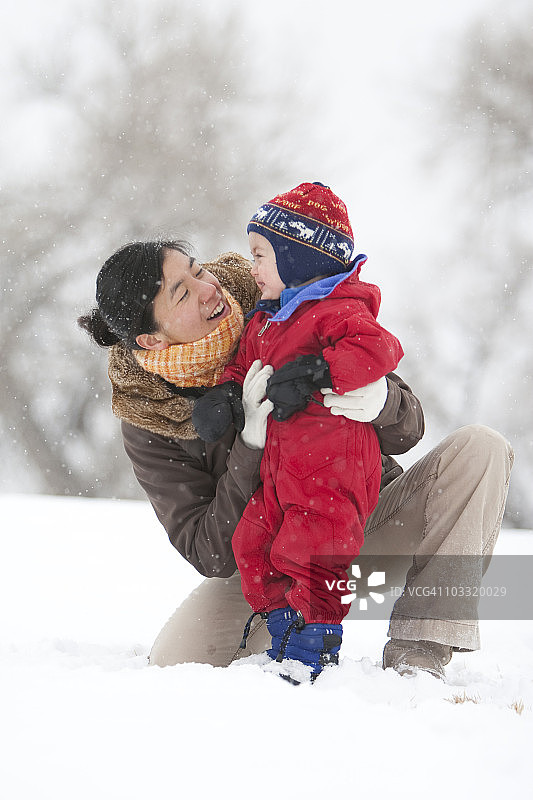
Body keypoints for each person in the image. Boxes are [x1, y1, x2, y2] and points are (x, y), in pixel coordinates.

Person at [78, 233, 513, 683]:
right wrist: (249, 446)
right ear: (150, 339)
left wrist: (379, 399)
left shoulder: (282, 299)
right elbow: (209, 552)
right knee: (175, 664)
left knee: (481, 448)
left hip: (366, 528)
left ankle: (418, 656)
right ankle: (291, 634)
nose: (208, 288)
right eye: (182, 292)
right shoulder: (148, 416)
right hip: (265, 567)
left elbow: (409, 428)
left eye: (198, 269)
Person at [192, 182, 404, 682]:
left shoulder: (341, 311)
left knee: (316, 554)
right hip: (279, 472)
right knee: (253, 545)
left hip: (332, 471)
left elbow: (380, 350)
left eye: (261, 255)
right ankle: (282, 625)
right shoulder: (266, 324)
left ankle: (314, 645)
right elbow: (244, 367)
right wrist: (224, 396)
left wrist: (320, 372)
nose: (253, 268)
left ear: (299, 258)